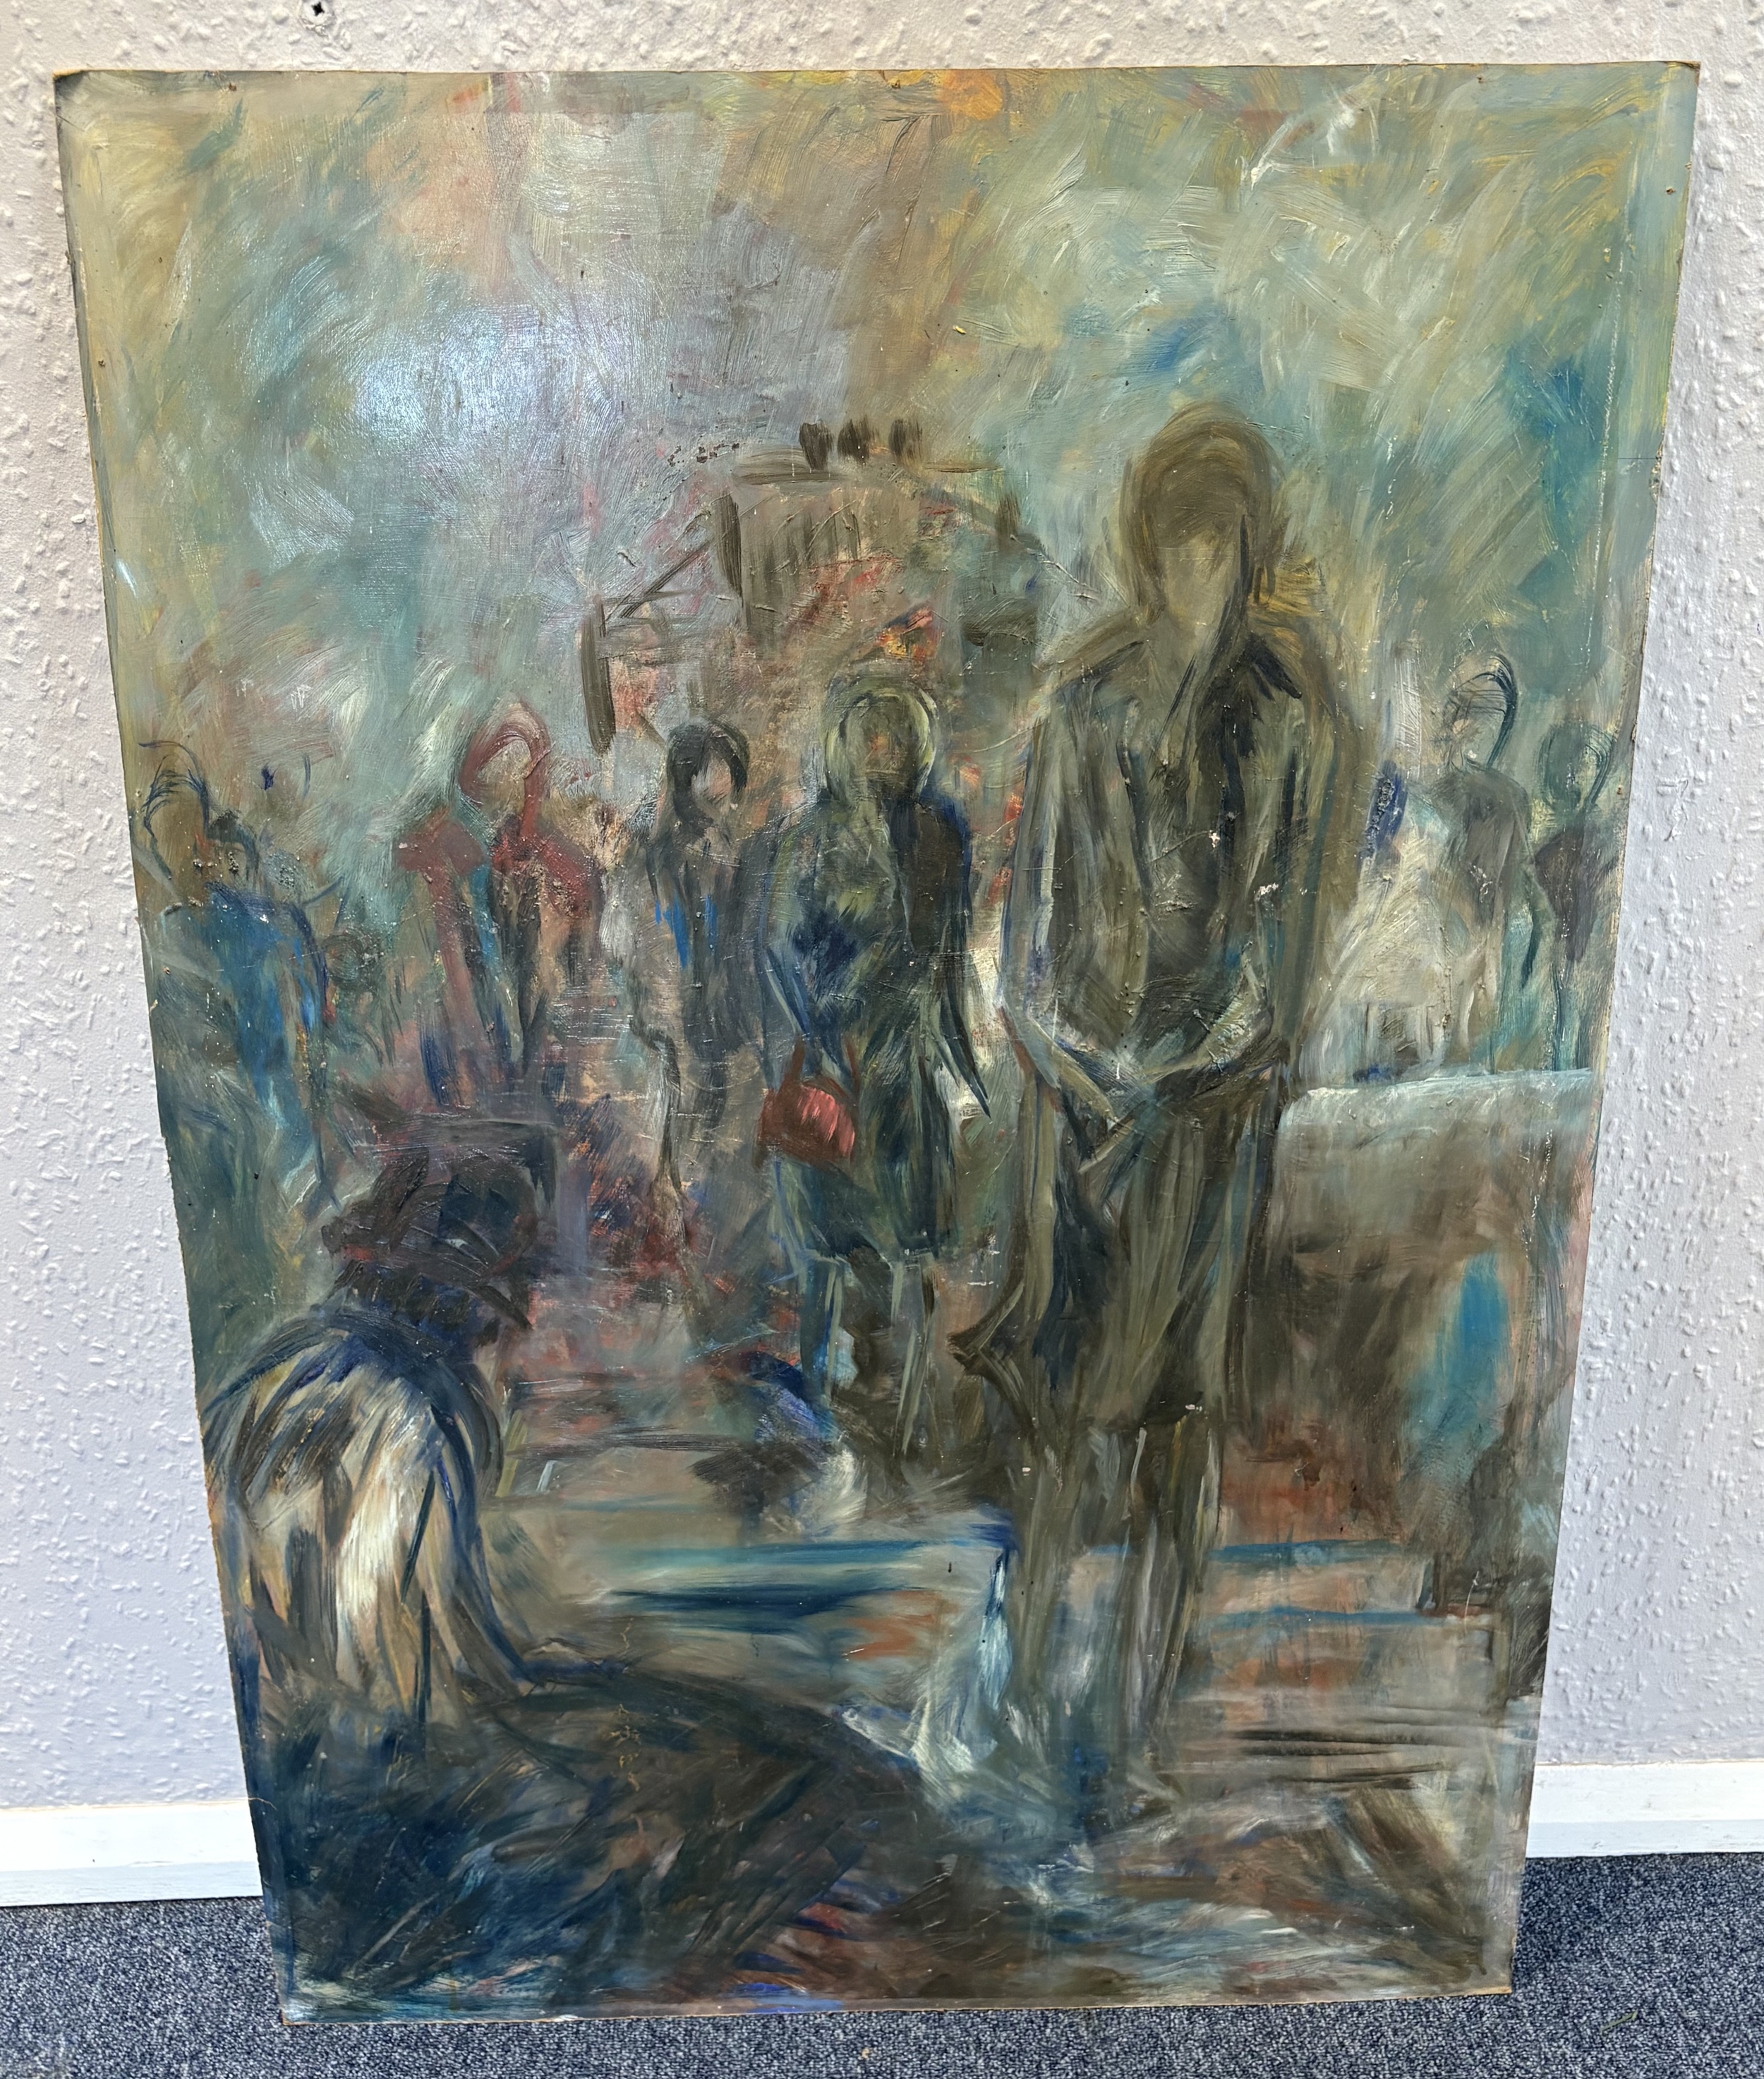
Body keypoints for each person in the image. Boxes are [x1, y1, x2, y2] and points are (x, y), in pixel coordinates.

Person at [205, 1145, 914, 2011]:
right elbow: (421, 1699)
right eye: (509, 1305)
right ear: (475, 1304)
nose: (513, 1336)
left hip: (294, 1768)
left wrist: (550, 1670)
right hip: (376, 1801)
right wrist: (568, 1688)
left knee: (683, 1734)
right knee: (779, 1776)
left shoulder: (277, 1370)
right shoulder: (410, 1411)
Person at [958, 406, 1357, 1786]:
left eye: (1224, 547)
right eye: (1182, 544)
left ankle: (1139, 1718)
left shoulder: (1293, 721)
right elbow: (1026, 949)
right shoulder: (1083, 703)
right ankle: (1021, 1692)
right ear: (1148, 551)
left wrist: (1186, 1077)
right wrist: (1082, 1072)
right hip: (1078, 1116)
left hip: (1206, 1121)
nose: (1202, 570)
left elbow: (1285, 964)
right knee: (1064, 1418)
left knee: (1180, 1417)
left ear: (1251, 557)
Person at [760, 670, 988, 1458]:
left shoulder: (939, 830)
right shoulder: (809, 837)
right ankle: (821, 1400)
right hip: (841, 1065)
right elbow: (780, 948)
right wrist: (819, 1036)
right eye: (870, 736)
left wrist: (961, 1050)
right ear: (845, 745)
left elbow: (951, 945)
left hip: (906, 1065)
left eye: (895, 736)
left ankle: (912, 1408)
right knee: (825, 1246)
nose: (882, 751)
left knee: (913, 1240)